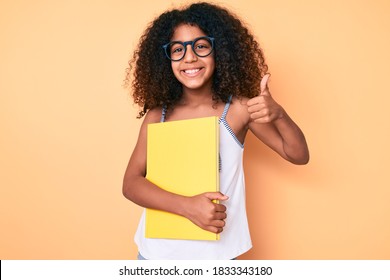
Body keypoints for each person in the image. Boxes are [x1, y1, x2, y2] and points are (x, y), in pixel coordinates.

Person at [122, 2, 309, 260]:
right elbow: (131, 184)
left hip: (217, 257)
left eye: (200, 46)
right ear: (166, 59)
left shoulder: (238, 110)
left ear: (218, 50)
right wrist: (188, 207)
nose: (190, 57)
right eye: (178, 49)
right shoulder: (158, 116)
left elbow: (298, 154)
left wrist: (279, 114)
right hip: (155, 254)